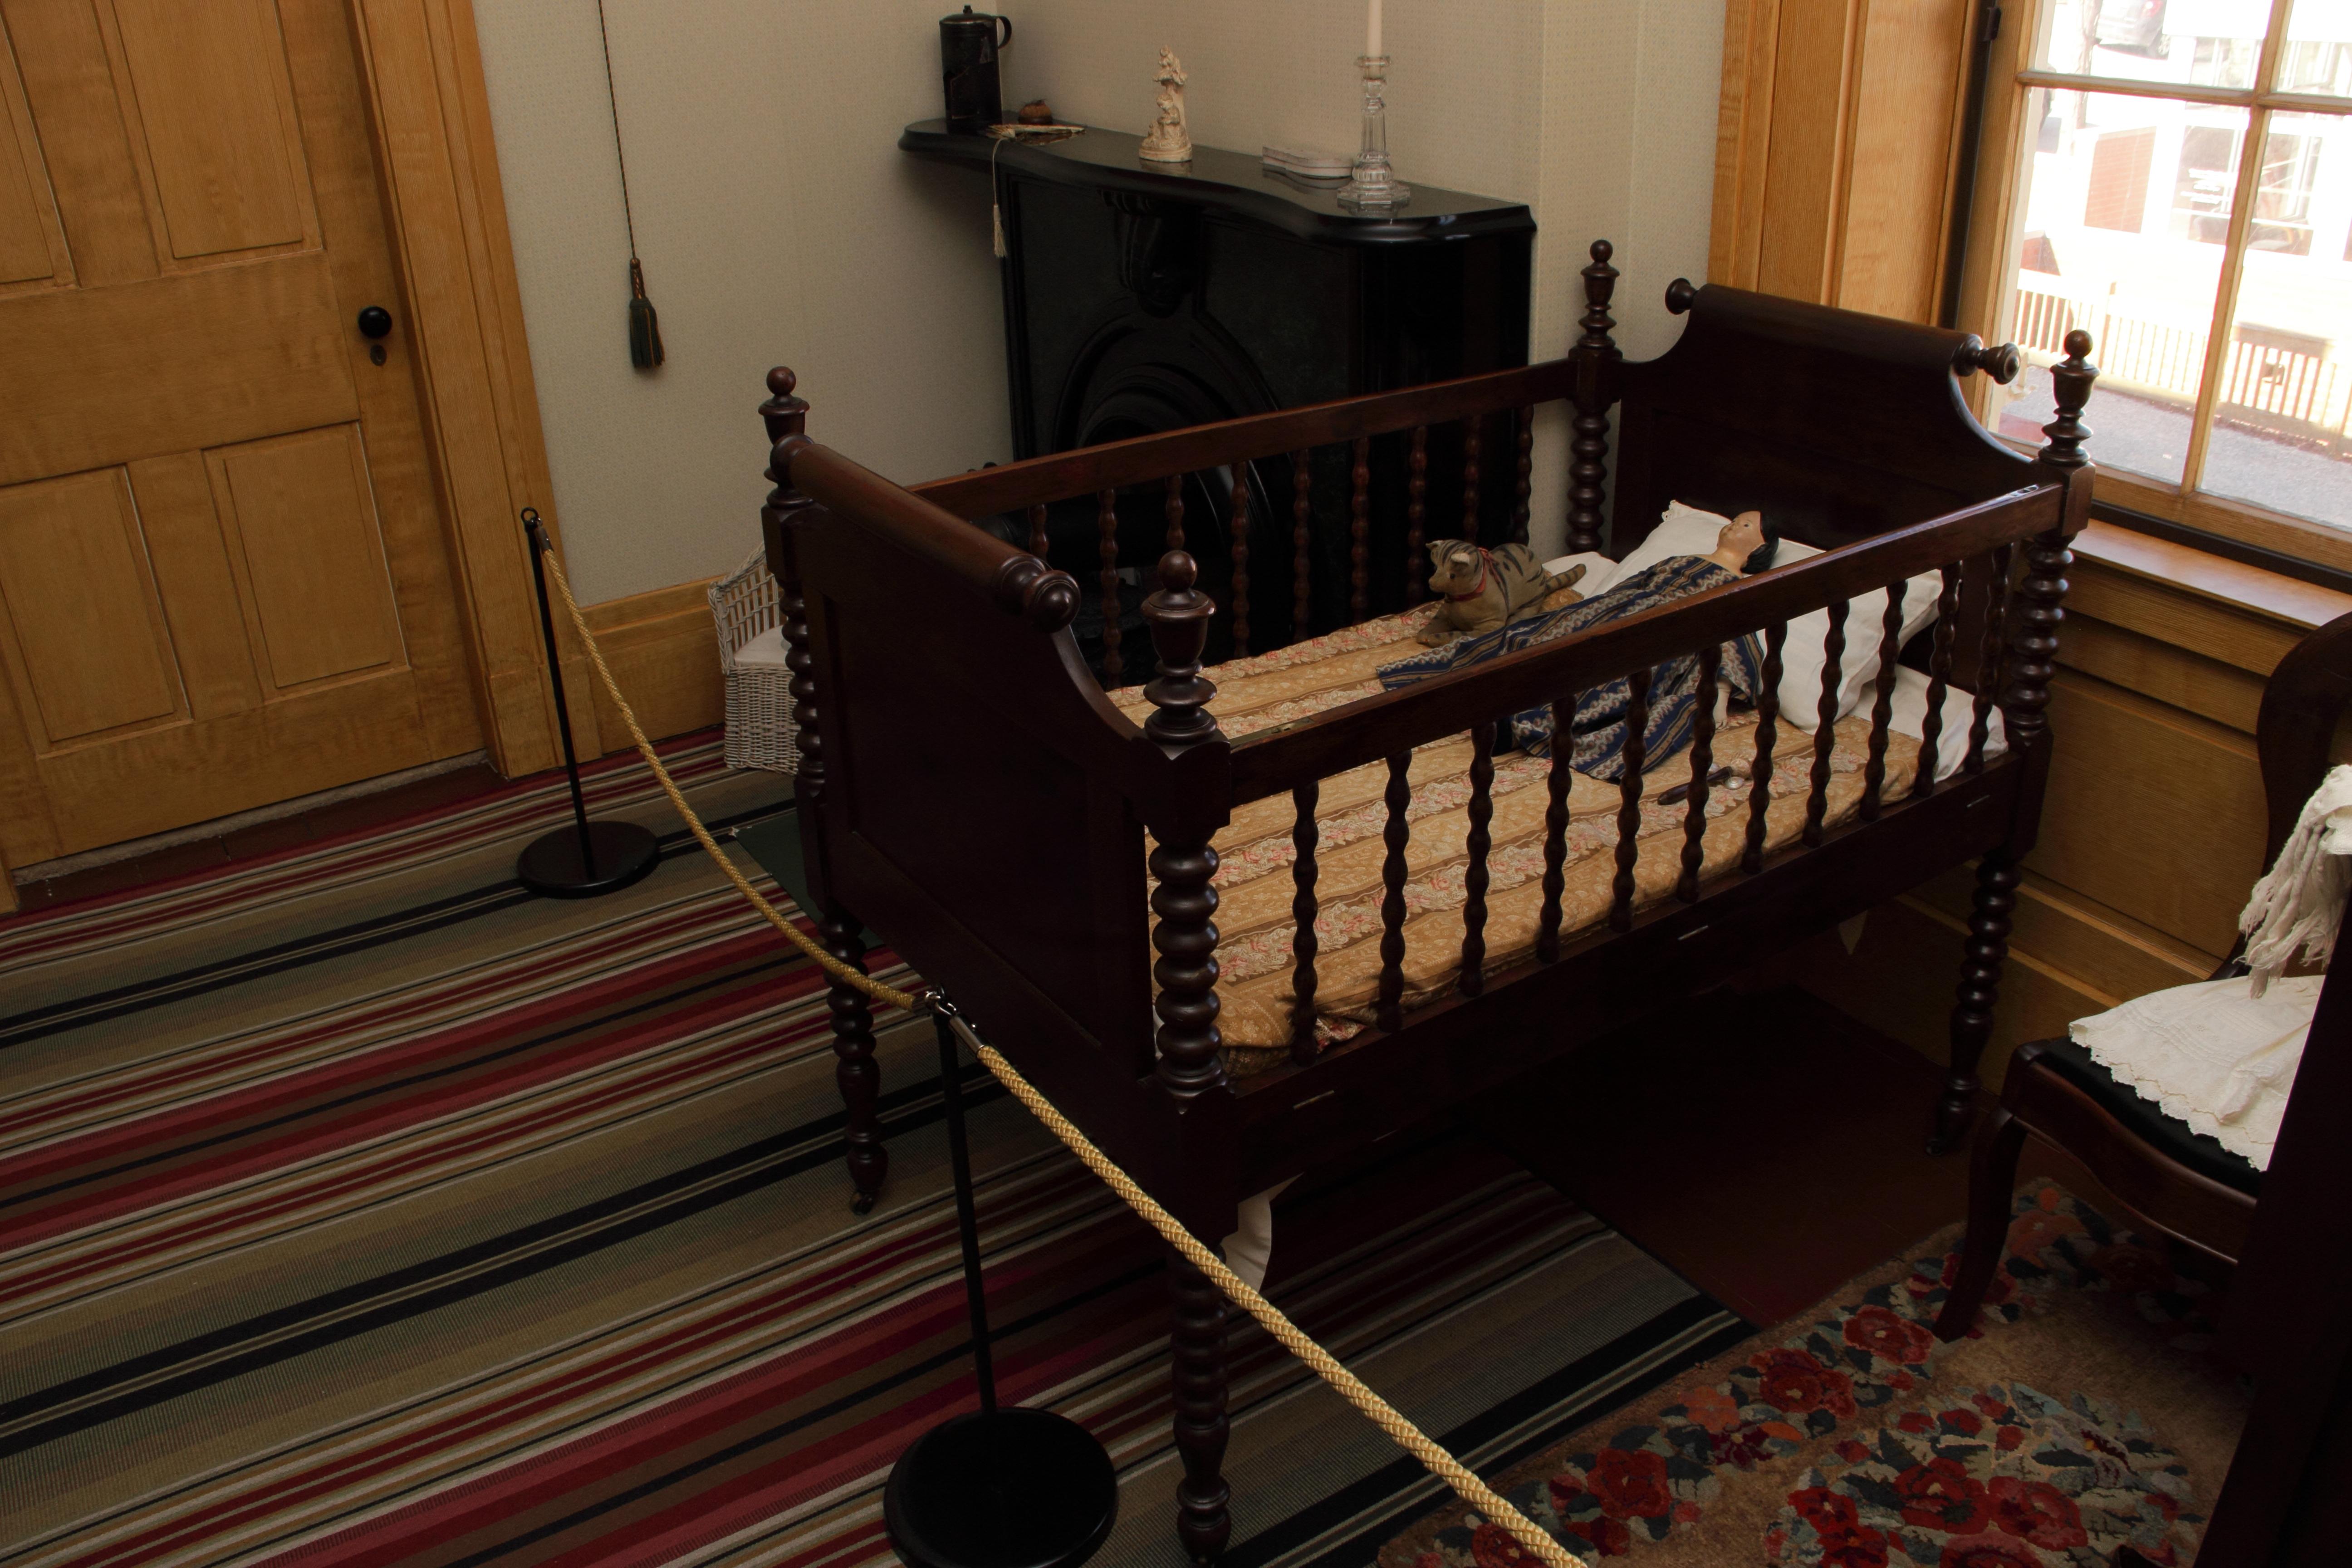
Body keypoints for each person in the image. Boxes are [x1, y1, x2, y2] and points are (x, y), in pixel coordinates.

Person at [1376, 510, 1779, 780]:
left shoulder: (1738, 587)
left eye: (1746, 526)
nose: (1733, 526)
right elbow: (1635, 583)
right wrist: (1600, 604)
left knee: (1607, 678)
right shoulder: (1684, 558)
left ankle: (1517, 726)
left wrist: (1721, 693)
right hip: (1616, 610)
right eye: (1736, 520)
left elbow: (1736, 634)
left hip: (1662, 636)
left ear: (1759, 549)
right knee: (1539, 637)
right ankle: (1480, 686)